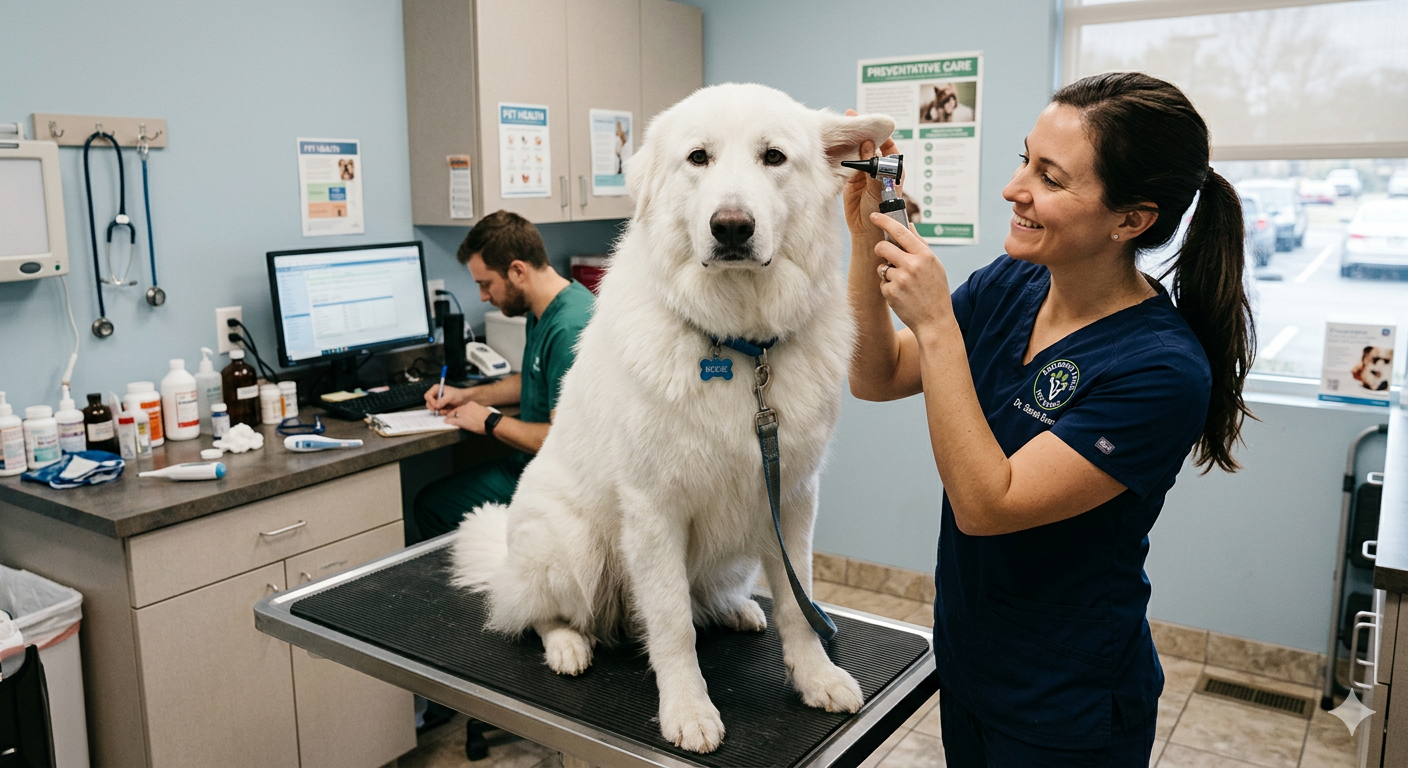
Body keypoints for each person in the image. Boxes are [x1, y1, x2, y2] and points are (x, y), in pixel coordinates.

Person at [844, 72, 1254, 766]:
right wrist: (865, 238)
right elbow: (876, 377)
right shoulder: (1015, 283)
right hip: (971, 661)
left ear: (1131, 220)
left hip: (1067, 703)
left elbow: (988, 505)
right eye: (1024, 159)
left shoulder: (1160, 369)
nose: (1015, 189)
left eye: (1050, 177)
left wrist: (938, 325)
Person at [412, 210, 595, 542]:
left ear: (517, 271)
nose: (483, 296)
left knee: (433, 506)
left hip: (564, 482)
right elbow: (533, 379)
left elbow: (564, 441)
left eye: (486, 284)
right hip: (539, 465)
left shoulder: (569, 327)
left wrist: (490, 421)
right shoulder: (544, 307)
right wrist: (467, 395)